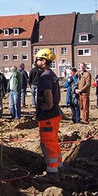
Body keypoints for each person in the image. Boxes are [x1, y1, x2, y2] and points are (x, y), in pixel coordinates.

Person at [33, 48, 63, 183]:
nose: (36, 62)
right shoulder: (52, 74)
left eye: (38, 59)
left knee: (48, 142)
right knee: (54, 140)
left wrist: (49, 105)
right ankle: (58, 166)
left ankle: (52, 172)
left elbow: (48, 93)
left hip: (48, 116)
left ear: (43, 61)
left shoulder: (44, 76)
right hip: (55, 114)